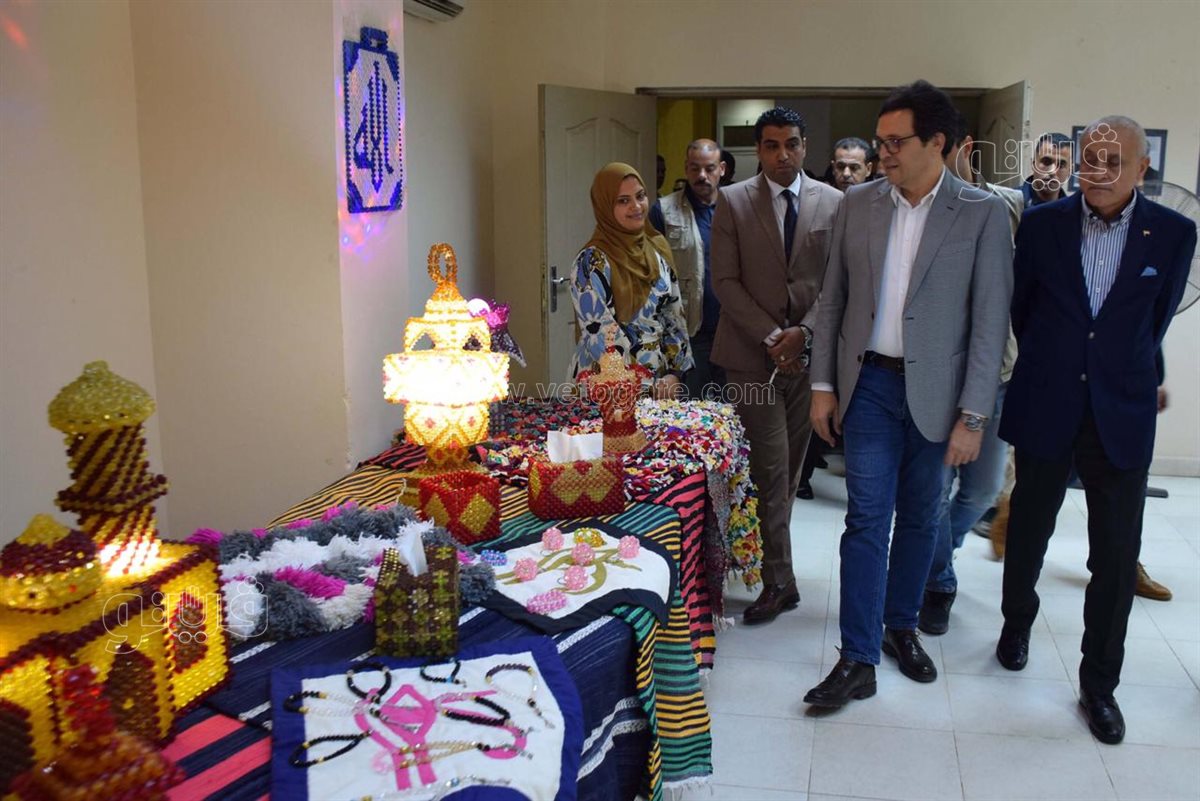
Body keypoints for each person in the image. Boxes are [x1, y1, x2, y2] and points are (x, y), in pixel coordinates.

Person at [804, 81, 1012, 708]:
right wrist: (822, 386)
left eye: (896, 142)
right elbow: (833, 300)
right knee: (866, 518)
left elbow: (990, 323)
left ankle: (901, 626)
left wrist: (973, 417)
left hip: (941, 395)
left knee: (922, 515)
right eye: (880, 142)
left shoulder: (980, 213)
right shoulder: (858, 204)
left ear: (937, 143)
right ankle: (857, 656)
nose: (884, 153)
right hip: (868, 384)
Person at [996, 116, 1195, 745]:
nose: (1099, 172)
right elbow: (1023, 309)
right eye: (1091, 159)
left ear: (1142, 169)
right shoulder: (1043, 225)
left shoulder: (1174, 233)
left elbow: (1155, 322)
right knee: (1028, 529)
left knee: (1115, 554)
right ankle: (1016, 622)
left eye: (1115, 161)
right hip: (1047, 401)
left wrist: (1115, 370)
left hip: (1121, 412)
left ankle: (1099, 684)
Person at [710, 107, 842, 624]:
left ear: (804, 146)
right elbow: (725, 282)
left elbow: (837, 282)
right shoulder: (733, 200)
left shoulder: (833, 201)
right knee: (768, 469)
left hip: (809, 359)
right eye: (771, 145)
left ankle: (773, 567)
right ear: (758, 150)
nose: (782, 154)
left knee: (787, 473)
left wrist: (803, 333)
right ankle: (778, 580)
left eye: (791, 143)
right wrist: (772, 335)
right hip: (751, 359)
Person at [919, 112, 1024, 635]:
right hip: (940, 377)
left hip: (999, 373)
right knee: (934, 491)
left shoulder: (1010, 206)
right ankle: (938, 580)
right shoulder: (923, 210)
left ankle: (937, 553)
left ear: (962, 148)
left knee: (983, 491)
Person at [569, 162, 693, 398]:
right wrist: (647, 384)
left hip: (662, 384)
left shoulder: (658, 249)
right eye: (623, 200)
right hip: (607, 387)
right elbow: (599, 335)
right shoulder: (591, 262)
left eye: (640, 196)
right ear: (605, 207)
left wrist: (676, 373)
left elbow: (675, 316)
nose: (636, 206)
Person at [650, 139, 726, 400]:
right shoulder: (663, 210)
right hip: (688, 331)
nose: (702, 175)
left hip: (731, 332)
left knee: (734, 409)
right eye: (695, 168)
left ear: (722, 169)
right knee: (692, 410)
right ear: (685, 168)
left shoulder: (737, 208)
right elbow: (652, 276)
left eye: (709, 168)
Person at [1021, 132, 1072, 207]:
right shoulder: (1009, 204)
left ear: (1069, 171)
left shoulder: (1073, 211)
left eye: (1061, 165)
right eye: (1046, 162)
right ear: (1033, 164)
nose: (1052, 171)